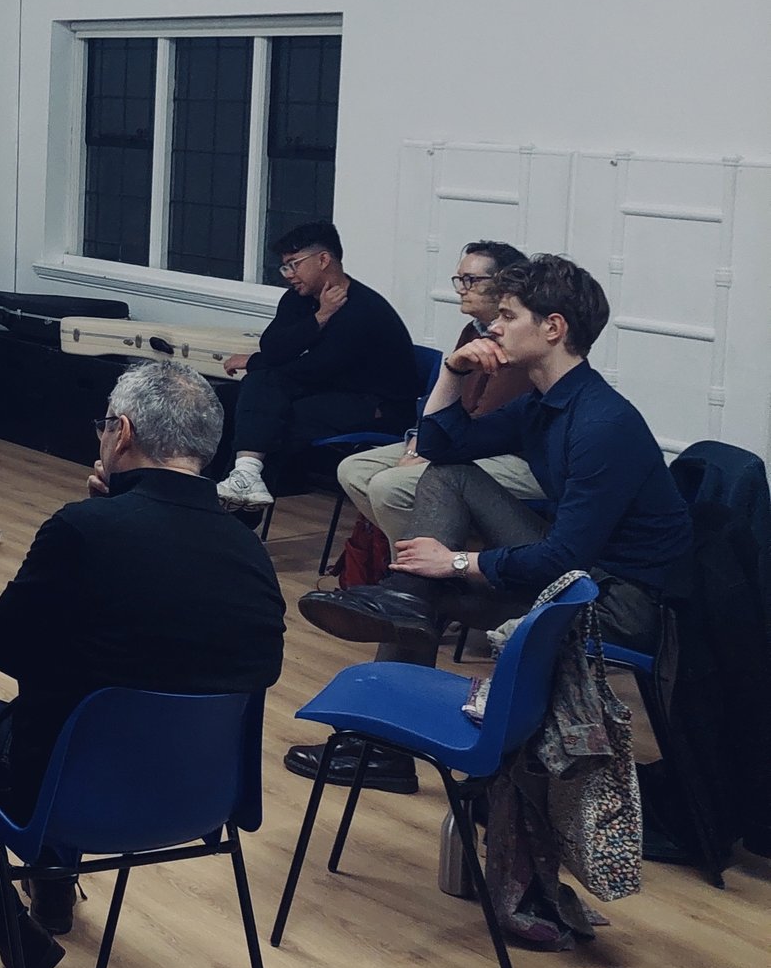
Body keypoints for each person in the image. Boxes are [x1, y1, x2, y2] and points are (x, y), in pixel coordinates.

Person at [0, 362, 283, 968]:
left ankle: (10, 927)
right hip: (201, 794)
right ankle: (52, 875)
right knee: (86, 714)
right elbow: (254, 663)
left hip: (64, 790)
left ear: (122, 431)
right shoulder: (249, 550)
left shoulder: (82, 530)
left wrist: (95, 530)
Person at [298, 254, 692, 662]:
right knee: (447, 482)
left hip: (619, 603)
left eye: (507, 316)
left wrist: (455, 562)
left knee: (429, 594)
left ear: (553, 328)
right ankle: (405, 599)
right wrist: (452, 371)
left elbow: (563, 558)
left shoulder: (602, 425)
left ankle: (405, 601)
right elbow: (437, 448)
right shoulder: (542, 403)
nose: (494, 328)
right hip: (580, 572)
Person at [333, 241, 541, 550]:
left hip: (509, 454)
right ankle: (425, 558)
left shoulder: (520, 340)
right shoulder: (472, 331)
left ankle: (426, 567)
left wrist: (428, 453)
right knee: (354, 470)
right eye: (459, 279)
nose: (461, 289)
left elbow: (487, 421)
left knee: (390, 485)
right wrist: (418, 440)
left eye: (471, 280)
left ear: (503, 284)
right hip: (462, 438)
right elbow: (446, 401)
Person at [214, 222, 419, 510]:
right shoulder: (298, 300)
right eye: (285, 267)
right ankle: (229, 487)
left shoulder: (363, 309)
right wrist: (319, 318)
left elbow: (319, 367)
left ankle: (235, 511)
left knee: (274, 417)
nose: (288, 275)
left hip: (375, 405)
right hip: (325, 390)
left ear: (323, 259)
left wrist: (257, 364)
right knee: (230, 399)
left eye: (294, 264)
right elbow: (272, 347)